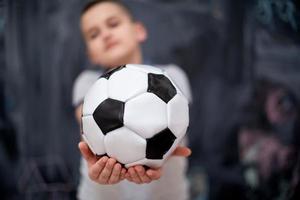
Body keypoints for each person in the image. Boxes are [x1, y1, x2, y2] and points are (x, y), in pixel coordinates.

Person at [72, 0, 192, 199]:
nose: (105, 34)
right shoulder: (87, 83)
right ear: (91, 54)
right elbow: (87, 124)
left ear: (139, 31)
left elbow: (177, 122)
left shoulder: (171, 77)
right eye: (94, 34)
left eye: (113, 24)